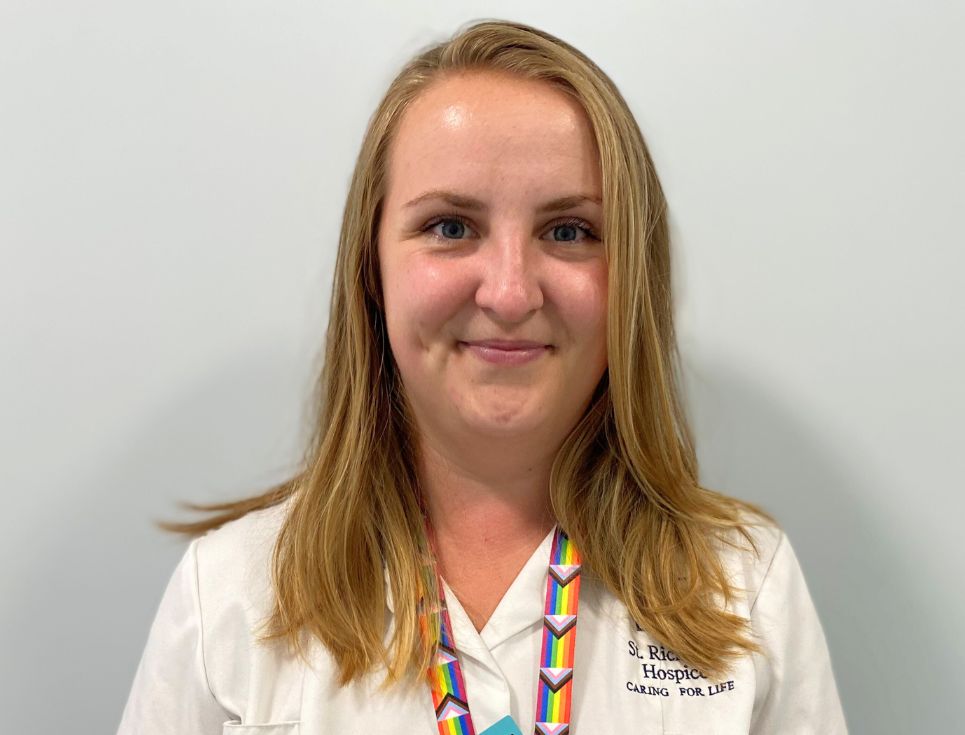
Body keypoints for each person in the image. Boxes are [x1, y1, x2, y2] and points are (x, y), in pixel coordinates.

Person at [117, 18, 847, 735]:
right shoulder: (232, 596)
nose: (508, 292)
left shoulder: (743, 586)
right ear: (371, 269)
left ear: (632, 280)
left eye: (569, 231)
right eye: (450, 227)